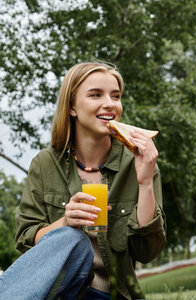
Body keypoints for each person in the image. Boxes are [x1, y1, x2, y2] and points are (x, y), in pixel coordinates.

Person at [0, 62, 166, 299]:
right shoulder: (45, 163)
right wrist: (65, 222)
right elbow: (27, 238)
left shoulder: (139, 162)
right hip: (56, 289)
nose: (110, 103)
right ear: (72, 107)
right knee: (71, 238)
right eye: (95, 94)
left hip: (108, 293)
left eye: (116, 96)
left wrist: (146, 182)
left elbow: (147, 251)